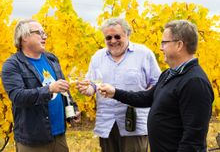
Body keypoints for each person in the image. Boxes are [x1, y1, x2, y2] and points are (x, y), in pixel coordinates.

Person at [98, 20, 214, 152]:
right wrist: (115, 92)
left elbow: (193, 139)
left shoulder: (194, 82)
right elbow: (146, 97)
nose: (161, 47)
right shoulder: (169, 74)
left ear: (179, 45)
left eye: (164, 42)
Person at [76, 17, 161, 152]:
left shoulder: (144, 54)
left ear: (127, 34)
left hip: (135, 124)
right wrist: (87, 89)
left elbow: (157, 84)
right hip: (107, 123)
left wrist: (144, 97)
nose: (113, 41)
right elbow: (92, 84)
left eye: (117, 36)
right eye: (108, 38)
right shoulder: (97, 57)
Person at [1, 19, 80, 152]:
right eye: (39, 33)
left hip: (59, 135)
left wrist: (72, 108)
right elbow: (17, 96)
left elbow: (63, 88)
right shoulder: (12, 65)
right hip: (33, 140)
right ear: (24, 37)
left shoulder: (51, 58)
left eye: (44, 33)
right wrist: (49, 89)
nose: (44, 36)